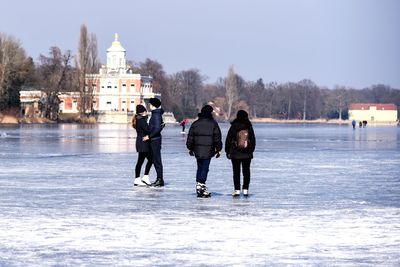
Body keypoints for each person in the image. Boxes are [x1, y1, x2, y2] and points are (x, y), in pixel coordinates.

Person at [186, 105, 222, 198]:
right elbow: (217, 138)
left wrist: (190, 148)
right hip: (208, 150)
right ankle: (201, 185)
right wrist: (218, 149)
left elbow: (190, 137)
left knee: (200, 167)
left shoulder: (195, 124)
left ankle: (199, 185)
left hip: (197, 150)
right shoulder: (213, 124)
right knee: (205, 168)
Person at [225, 110, 256, 197]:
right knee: (246, 171)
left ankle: (237, 190)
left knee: (236, 172)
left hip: (235, 153)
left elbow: (228, 139)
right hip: (247, 153)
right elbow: (253, 140)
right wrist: (251, 150)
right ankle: (245, 190)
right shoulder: (249, 126)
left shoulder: (234, 126)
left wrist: (227, 151)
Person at [143, 98, 165, 187]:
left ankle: (160, 179)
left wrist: (149, 136)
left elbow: (157, 128)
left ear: (153, 105)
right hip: (154, 140)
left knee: (157, 160)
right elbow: (159, 126)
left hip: (155, 140)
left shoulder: (156, 115)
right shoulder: (156, 114)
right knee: (156, 160)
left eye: (150, 104)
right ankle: (159, 178)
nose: (149, 105)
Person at [132, 104, 153, 186]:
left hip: (141, 143)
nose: (146, 112)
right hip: (143, 143)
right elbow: (148, 130)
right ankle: (144, 177)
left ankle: (138, 178)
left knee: (140, 161)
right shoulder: (141, 120)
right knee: (151, 159)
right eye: (145, 111)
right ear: (142, 112)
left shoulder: (139, 119)